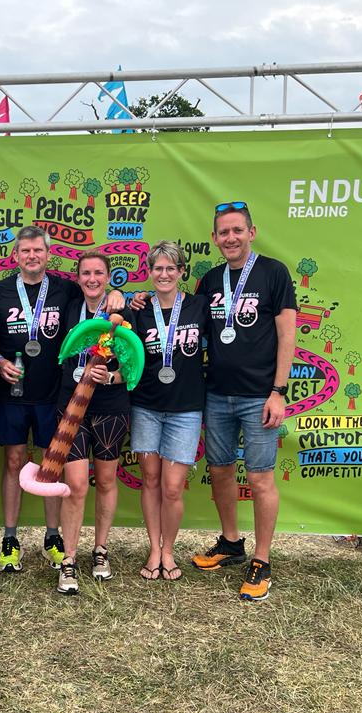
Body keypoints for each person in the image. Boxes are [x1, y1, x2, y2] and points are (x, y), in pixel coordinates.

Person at [0, 226, 124, 573]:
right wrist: (0, 360)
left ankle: (52, 537)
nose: (32, 256)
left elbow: (102, 297)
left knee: (52, 466)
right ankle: (10, 538)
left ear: (48, 255)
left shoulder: (66, 290)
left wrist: (121, 292)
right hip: (14, 393)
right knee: (15, 462)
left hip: (54, 397)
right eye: (25, 251)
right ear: (15, 256)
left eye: (38, 251)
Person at [190, 202, 296, 602]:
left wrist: (279, 391)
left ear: (252, 232)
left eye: (237, 230)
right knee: (219, 471)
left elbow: (287, 335)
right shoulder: (211, 280)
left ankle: (262, 559)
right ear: (215, 239)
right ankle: (232, 544)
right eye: (223, 232)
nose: (230, 238)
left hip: (259, 396)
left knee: (259, 477)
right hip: (216, 394)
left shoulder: (274, 273)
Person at [54, 251, 133, 594]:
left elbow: (132, 367)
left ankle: (100, 551)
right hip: (71, 407)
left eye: (98, 273)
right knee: (75, 485)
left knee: (105, 479)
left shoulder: (123, 311)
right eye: (85, 273)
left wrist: (110, 377)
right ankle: (68, 559)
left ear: (108, 276)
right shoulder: (70, 304)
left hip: (110, 407)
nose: (91, 279)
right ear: (78, 277)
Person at [129, 241, 209, 582]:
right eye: (157, 269)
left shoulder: (199, 307)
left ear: (180, 272)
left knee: (173, 487)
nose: (164, 274)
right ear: (150, 272)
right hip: (145, 405)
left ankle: (168, 550)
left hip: (186, 408)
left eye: (170, 268)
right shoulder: (139, 309)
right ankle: (152, 548)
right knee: (149, 480)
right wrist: (127, 295)